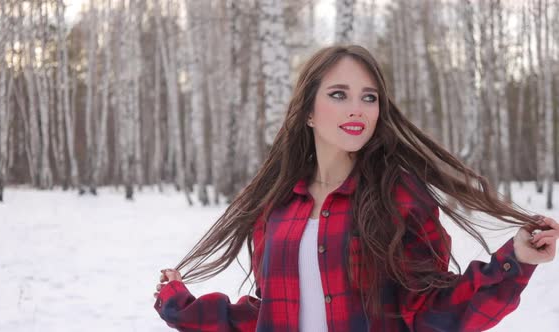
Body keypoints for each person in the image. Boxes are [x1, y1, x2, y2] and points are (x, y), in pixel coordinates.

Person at [153, 45, 558, 331]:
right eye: (338, 94)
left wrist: (515, 261)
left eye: (369, 97)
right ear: (308, 112)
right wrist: (180, 305)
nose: (357, 109)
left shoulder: (398, 196)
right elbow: (269, 315)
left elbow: (433, 311)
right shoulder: (275, 208)